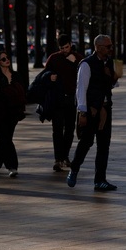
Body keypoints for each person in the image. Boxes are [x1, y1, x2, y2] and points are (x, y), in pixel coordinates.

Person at [67, 35, 118, 191]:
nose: (111, 49)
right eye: (108, 46)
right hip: (90, 110)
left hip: (105, 109)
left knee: (104, 145)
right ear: (98, 47)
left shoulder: (109, 63)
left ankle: (100, 180)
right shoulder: (86, 64)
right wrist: (82, 113)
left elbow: (114, 84)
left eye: (111, 46)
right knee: (86, 142)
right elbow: (80, 89)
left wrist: (111, 76)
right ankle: (74, 169)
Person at [44, 35, 83, 172]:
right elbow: (44, 75)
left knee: (70, 130)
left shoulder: (78, 58)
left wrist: (75, 63)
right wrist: (49, 77)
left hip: (72, 98)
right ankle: (58, 159)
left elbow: (83, 76)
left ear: (71, 44)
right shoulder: (54, 58)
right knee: (57, 129)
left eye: (66, 47)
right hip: (58, 98)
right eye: (62, 48)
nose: (65, 50)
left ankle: (64, 156)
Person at [0, 51, 25, 177]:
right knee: (5, 140)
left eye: (7, 58)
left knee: (4, 139)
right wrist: (11, 92)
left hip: (13, 113)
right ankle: (12, 166)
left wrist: (9, 92)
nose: (7, 60)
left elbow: (20, 91)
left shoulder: (15, 75)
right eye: (3, 59)